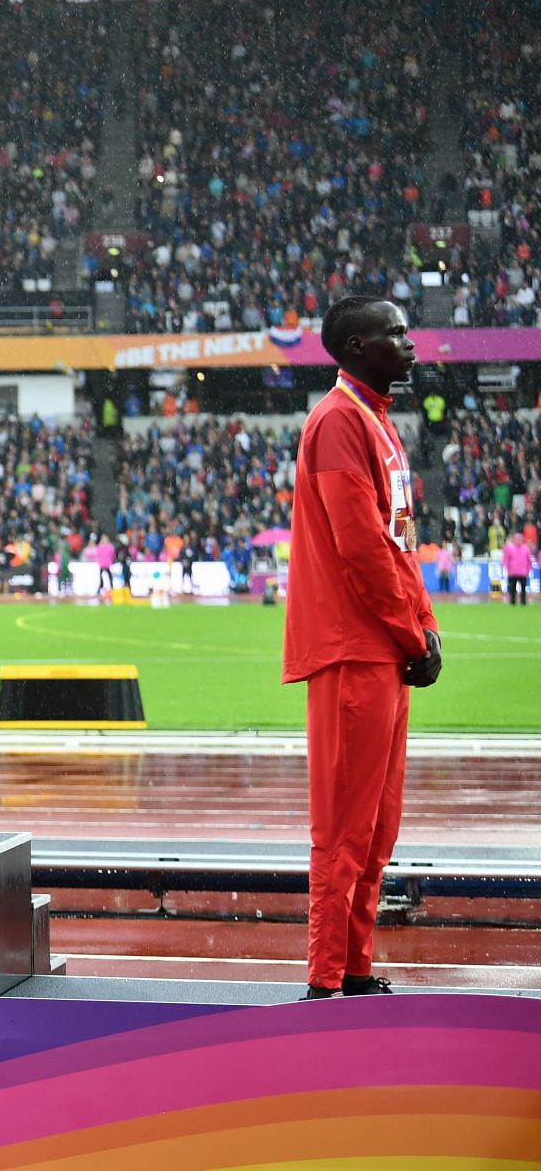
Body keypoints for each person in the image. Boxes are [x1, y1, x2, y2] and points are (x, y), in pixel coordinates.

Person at [283, 295, 441, 1000]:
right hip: (353, 649)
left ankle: (354, 965)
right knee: (344, 828)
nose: (409, 343)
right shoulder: (340, 422)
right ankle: (324, 980)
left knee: (378, 828)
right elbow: (360, 546)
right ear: (354, 345)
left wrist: (424, 626)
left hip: (384, 648)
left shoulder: (376, 422)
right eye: (395, 333)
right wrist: (413, 632)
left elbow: (400, 544)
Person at [504, 535, 533, 605]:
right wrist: (508, 569)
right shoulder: (510, 548)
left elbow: (529, 560)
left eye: (520, 539)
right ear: (514, 539)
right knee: (512, 588)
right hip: (513, 572)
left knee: (523, 588)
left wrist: (528, 569)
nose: (519, 541)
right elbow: (506, 560)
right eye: (517, 539)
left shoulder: (526, 548)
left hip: (523, 572)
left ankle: (523, 601)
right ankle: (512, 601)